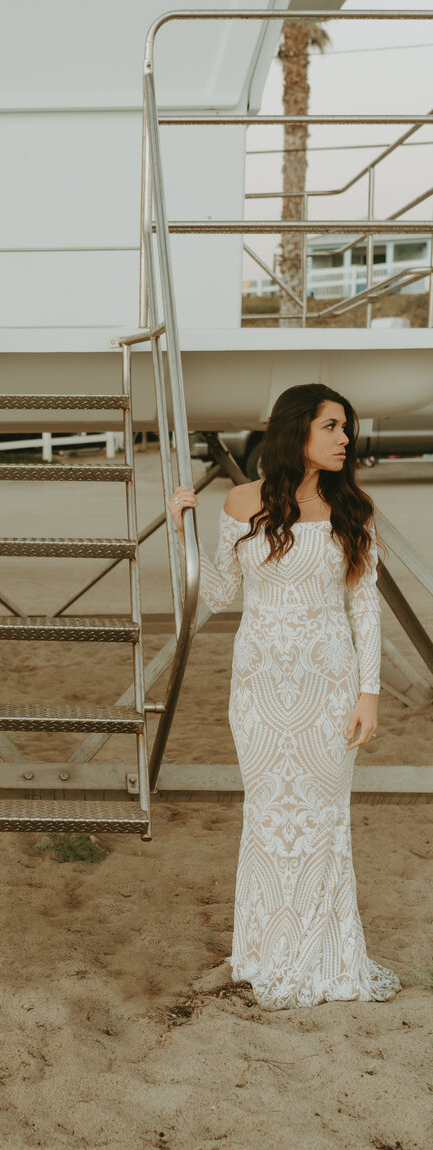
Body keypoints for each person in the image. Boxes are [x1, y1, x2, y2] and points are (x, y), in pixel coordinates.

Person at [168, 383, 401, 1009]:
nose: (344, 439)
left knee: (323, 823)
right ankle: (262, 953)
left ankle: (325, 955)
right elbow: (213, 596)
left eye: (345, 428)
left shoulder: (353, 507)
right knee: (269, 819)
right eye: (332, 427)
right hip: (260, 688)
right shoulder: (243, 501)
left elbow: (363, 611)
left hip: (331, 686)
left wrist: (369, 695)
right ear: (298, 430)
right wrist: (181, 531)